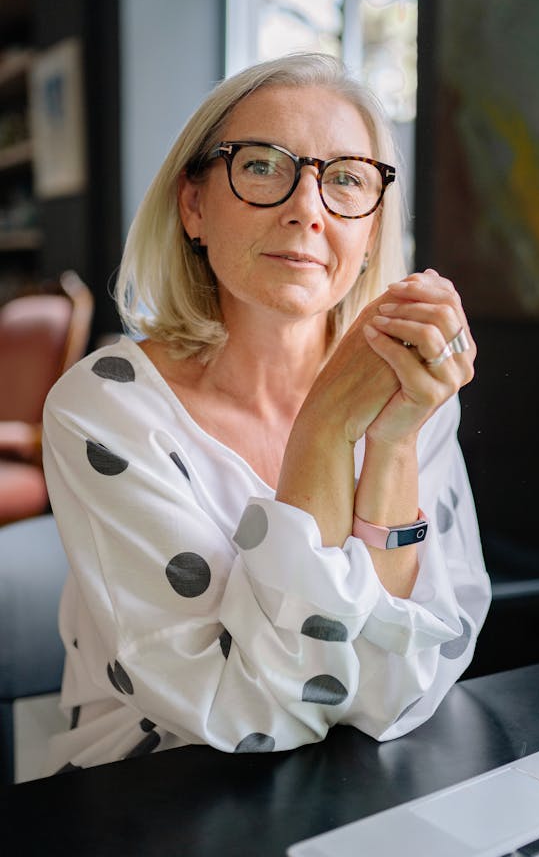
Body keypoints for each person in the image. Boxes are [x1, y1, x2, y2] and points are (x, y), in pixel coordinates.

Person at [42, 52, 490, 772]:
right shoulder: (105, 409)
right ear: (193, 206)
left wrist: (393, 442)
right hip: (147, 803)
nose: (308, 208)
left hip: (351, 786)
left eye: (345, 177)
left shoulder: (413, 396)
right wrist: (322, 430)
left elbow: (410, 682)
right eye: (261, 165)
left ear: (371, 228)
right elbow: (240, 710)